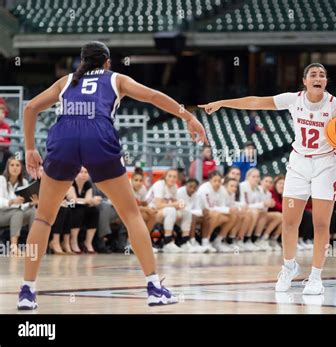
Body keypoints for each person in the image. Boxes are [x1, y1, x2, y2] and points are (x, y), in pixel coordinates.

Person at [18, 41, 208, 310]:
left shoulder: (65, 81)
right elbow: (153, 96)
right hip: (98, 136)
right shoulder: (116, 78)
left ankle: (27, 291)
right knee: (131, 215)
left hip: (65, 139)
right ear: (107, 62)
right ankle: (154, 287)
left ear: (81, 62)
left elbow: (29, 108)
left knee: (43, 218)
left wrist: (28, 148)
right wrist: (188, 116)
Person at [199, 62, 336, 295]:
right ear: (305, 81)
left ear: (325, 82)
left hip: (326, 164)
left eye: (323, 75)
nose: (318, 78)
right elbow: (256, 101)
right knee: (289, 223)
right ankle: (289, 267)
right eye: (313, 75)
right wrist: (222, 103)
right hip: (298, 163)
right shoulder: (293, 100)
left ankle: (316, 277)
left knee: (320, 224)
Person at [0, 157, 37, 255]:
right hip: (2, 213)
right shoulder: (1, 180)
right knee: (17, 213)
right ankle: (14, 246)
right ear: (7, 167)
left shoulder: (24, 182)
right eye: (12, 165)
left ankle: (32, 244)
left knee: (32, 210)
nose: (15, 168)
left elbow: (22, 205)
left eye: (17, 165)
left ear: (21, 168)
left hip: (16, 214)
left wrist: (30, 203)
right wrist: (12, 201)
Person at [147, 169, 189, 253]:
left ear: (177, 178)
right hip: (151, 211)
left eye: (174, 177)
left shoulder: (174, 187)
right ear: (165, 177)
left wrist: (182, 205)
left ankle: (185, 242)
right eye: (170, 176)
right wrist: (175, 204)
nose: (172, 179)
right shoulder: (159, 185)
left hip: (164, 212)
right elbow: (158, 205)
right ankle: (167, 242)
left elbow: (177, 203)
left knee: (187, 213)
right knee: (171, 210)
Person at [197, 170, 238, 253]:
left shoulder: (222, 189)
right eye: (215, 181)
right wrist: (227, 210)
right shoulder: (204, 189)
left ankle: (218, 241)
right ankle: (206, 240)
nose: (217, 183)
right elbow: (209, 207)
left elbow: (222, 206)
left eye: (219, 181)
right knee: (216, 215)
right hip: (199, 212)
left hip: (214, 212)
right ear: (210, 181)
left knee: (234, 216)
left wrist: (230, 210)